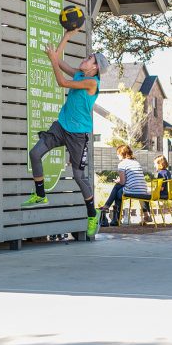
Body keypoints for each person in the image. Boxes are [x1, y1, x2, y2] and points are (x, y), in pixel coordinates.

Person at [22, 28, 109, 239]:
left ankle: (91, 214)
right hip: (61, 126)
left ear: (95, 68)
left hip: (79, 134)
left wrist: (53, 59)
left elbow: (61, 82)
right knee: (35, 154)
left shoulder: (91, 82)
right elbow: (60, 62)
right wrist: (67, 36)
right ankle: (40, 194)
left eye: (89, 59)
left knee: (79, 177)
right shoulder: (80, 74)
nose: (85, 59)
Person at [101, 145, 149, 226]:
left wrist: (118, 181)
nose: (117, 156)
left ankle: (113, 215)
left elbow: (123, 182)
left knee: (117, 190)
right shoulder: (136, 162)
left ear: (122, 154)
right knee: (118, 189)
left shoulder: (122, 164)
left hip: (132, 190)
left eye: (118, 154)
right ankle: (112, 213)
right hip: (142, 190)